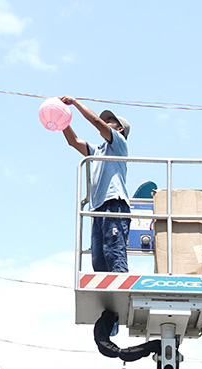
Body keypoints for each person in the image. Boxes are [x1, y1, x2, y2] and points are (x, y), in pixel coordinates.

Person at [58, 95, 131, 274]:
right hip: (97, 208)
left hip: (114, 203)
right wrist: (61, 117)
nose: (106, 122)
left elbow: (96, 121)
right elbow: (73, 141)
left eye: (110, 121)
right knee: (99, 259)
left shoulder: (118, 144)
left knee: (114, 252)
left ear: (119, 129)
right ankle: (107, 299)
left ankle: (120, 287)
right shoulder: (98, 150)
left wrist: (74, 103)